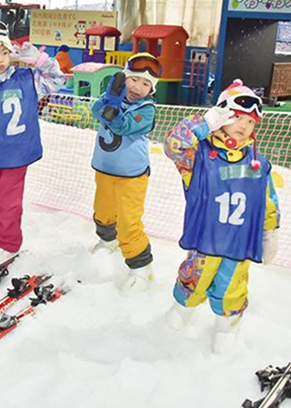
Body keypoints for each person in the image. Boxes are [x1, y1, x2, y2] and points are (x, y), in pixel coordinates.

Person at [163, 79, 280, 353]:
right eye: (236, 117)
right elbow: (173, 144)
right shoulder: (198, 155)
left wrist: (269, 231)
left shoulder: (257, 163)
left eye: (250, 122)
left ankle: (226, 328)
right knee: (195, 278)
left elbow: (267, 200)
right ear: (221, 115)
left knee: (233, 286)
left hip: (239, 242)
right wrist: (204, 122)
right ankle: (182, 310)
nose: (243, 125)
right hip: (206, 239)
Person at [0, 15, 65, 260]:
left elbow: (58, 80)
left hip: (17, 153)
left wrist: (41, 60)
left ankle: (8, 243)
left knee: (9, 202)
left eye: (2, 52)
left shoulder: (28, 79)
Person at [89, 53, 161, 295]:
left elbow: (124, 125)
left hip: (132, 175)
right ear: (124, 79)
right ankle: (107, 242)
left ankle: (142, 268)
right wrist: (110, 101)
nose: (138, 88)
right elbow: (95, 108)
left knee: (129, 222)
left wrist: (113, 109)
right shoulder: (112, 97)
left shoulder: (147, 109)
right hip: (105, 169)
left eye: (145, 84)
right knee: (103, 211)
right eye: (134, 80)